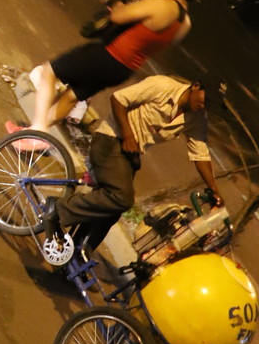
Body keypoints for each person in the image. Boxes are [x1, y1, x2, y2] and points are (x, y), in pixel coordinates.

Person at [43, 77, 222, 254]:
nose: (207, 105)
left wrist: (214, 189)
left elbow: (200, 154)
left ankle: (80, 250)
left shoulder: (197, 118)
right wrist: (128, 135)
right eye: (207, 98)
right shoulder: (162, 86)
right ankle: (57, 209)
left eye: (212, 103)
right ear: (196, 86)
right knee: (122, 198)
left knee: (114, 209)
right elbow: (119, 99)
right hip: (110, 139)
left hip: (129, 154)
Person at [23, 0, 206, 136]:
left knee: (49, 72)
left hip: (108, 55)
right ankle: (35, 136)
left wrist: (120, 4)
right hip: (123, 70)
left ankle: (37, 130)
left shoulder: (162, 4)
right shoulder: (184, 24)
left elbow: (118, 17)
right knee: (72, 96)